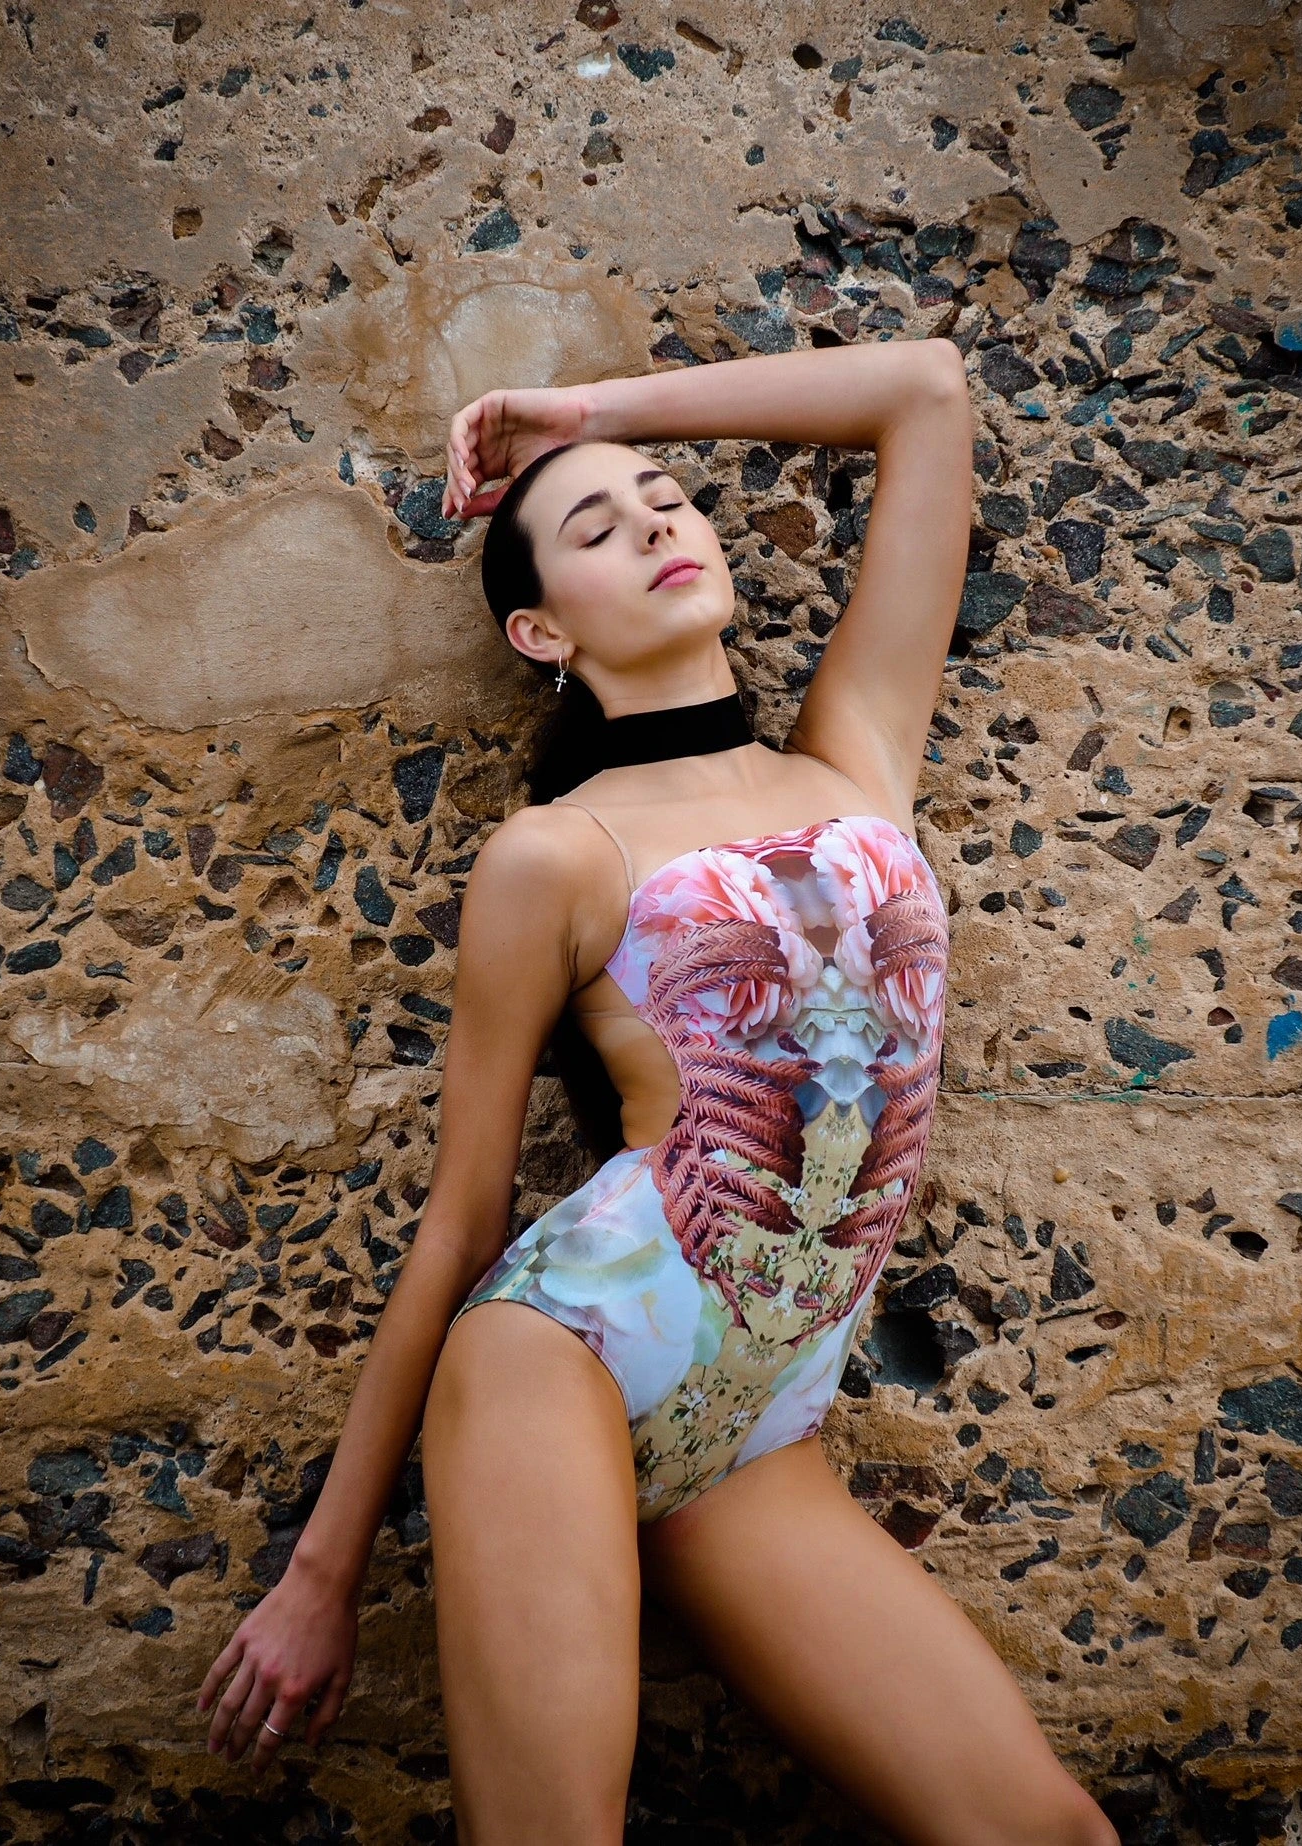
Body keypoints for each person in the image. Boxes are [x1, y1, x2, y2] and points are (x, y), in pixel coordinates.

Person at [197, 341, 1119, 1846]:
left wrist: (591, 416)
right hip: (557, 1356)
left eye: (668, 499)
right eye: (597, 526)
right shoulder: (557, 853)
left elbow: (927, 393)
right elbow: (462, 1218)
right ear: (541, 630)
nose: (654, 524)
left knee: (1047, 1831)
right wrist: (323, 1575)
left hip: (756, 1425)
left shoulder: (855, 754)